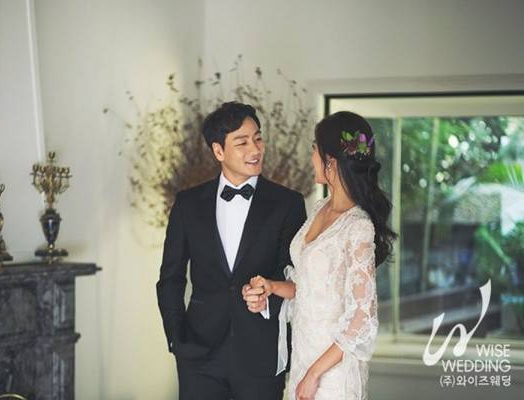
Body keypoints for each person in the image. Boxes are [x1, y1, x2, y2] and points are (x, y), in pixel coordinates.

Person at [156, 101, 306, 400]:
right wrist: (176, 338)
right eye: (242, 142)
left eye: (258, 138)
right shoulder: (188, 204)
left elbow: (295, 277)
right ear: (218, 151)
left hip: (261, 354)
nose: (255, 149)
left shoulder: (288, 203)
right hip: (198, 356)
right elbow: (170, 278)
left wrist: (266, 299)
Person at [244, 111, 397, 400]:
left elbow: (362, 317)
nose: (311, 157)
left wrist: (315, 374)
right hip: (304, 357)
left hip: (332, 372)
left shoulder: (358, 226)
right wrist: (272, 286)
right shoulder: (319, 209)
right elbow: (309, 286)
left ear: (331, 161)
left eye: (314, 150)